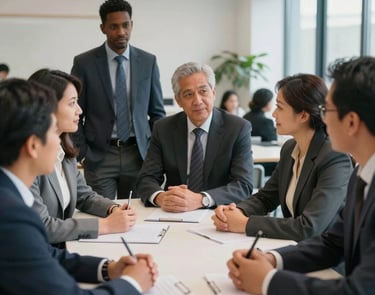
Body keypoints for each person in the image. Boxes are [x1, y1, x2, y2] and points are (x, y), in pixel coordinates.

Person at [227, 56, 375, 295]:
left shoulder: (341, 163)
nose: (323, 118)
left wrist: (268, 281)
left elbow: (360, 293)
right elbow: (333, 243)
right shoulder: (361, 175)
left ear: (351, 122)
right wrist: (273, 259)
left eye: (327, 110)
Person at [0, 78, 158, 295]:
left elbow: (45, 254)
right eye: (54, 132)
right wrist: (133, 283)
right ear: (33, 146)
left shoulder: (9, 196)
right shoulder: (10, 217)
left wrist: (108, 269)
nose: (60, 143)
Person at [213, 74, 353, 241]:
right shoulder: (289, 149)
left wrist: (245, 223)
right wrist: (237, 211)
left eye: (280, 107)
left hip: (327, 261)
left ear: (303, 115)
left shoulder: (334, 157)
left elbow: (309, 227)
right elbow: (266, 198)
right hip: (295, 249)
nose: (273, 114)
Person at [28, 69, 136, 247]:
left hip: (62, 250)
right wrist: (106, 225)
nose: (80, 110)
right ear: (47, 107)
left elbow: (84, 196)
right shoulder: (27, 160)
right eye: (72, 103)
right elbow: (42, 226)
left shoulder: (64, 150)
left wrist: (113, 209)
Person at [71, 0, 165, 200]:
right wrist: (83, 153)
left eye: (125, 25)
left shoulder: (148, 61)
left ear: (132, 25)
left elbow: (157, 113)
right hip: (99, 156)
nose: (121, 32)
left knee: (138, 217)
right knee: (102, 217)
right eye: (114, 26)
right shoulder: (84, 63)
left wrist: (152, 153)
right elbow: (75, 113)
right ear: (103, 28)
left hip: (139, 155)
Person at [136, 62, 253, 212]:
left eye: (203, 91)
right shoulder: (164, 128)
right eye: (188, 94)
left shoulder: (237, 128)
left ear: (213, 92)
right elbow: (146, 178)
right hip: (175, 213)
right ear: (178, 101)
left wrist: (201, 199)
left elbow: (243, 185)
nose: (197, 101)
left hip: (219, 211)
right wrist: (161, 197)